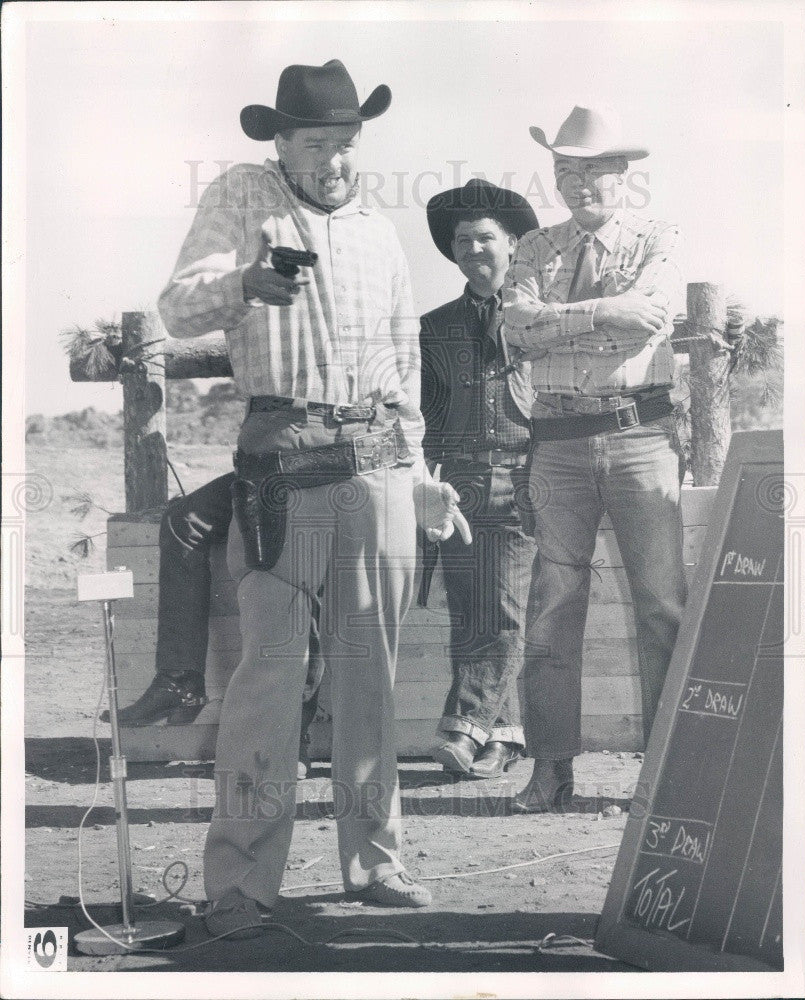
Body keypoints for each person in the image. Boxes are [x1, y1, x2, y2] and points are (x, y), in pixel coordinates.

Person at [158, 59, 470, 936]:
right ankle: (241, 886)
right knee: (269, 678)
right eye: (316, 143)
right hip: (283, 460)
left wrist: (419, 477)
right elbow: (179, 307)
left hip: (374, 463)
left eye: (345, 142)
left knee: (371, 677)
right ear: (282, 142)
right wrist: (244, 285)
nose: (334, 158)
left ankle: (375, 861)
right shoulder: (242, 196)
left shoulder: (376, 227)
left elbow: (405, 368)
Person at [502, 106, 687, 812]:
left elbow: (649, 316)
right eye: (565, 170)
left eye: (593, 169)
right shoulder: (533, 247)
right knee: (552, 606)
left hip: (641, 437)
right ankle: (550, 771)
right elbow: (513, 325)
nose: (578, 183)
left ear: (621, 174)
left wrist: (558, 326)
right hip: (556, 444)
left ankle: (669, 774)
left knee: (662, 606)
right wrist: (598, 321)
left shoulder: (658, 236)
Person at [419, 179, 539, 778]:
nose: (472, 248)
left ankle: (463, 728)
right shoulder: (433, 327)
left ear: (513, 244)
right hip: (458, 489)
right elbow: (424, 412)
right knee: (471, 615)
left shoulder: (540, 318)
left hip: (525, 478)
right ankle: (504, 738)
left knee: (505, 611)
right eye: (462, 240)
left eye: (485, 237)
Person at [100, 475, 324, 778]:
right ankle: (179, 681)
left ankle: (292, 735)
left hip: (330, 475)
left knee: (294, 551)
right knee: (185, 520)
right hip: (265, 467)